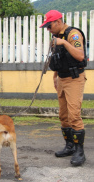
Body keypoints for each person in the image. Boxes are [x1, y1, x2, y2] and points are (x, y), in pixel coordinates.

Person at [40, 10, 87, 166]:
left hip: (74, 79)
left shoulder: (72, 35)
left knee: (74, 115)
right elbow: (57, 58)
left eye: (49, 26)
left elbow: (80, 56)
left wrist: (65, 43)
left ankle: (80, 152)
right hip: (61, 78)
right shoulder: (56, 37)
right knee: (63, 116)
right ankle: (70, 146)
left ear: (58, 22)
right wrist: (55, 76)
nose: (48, 29)